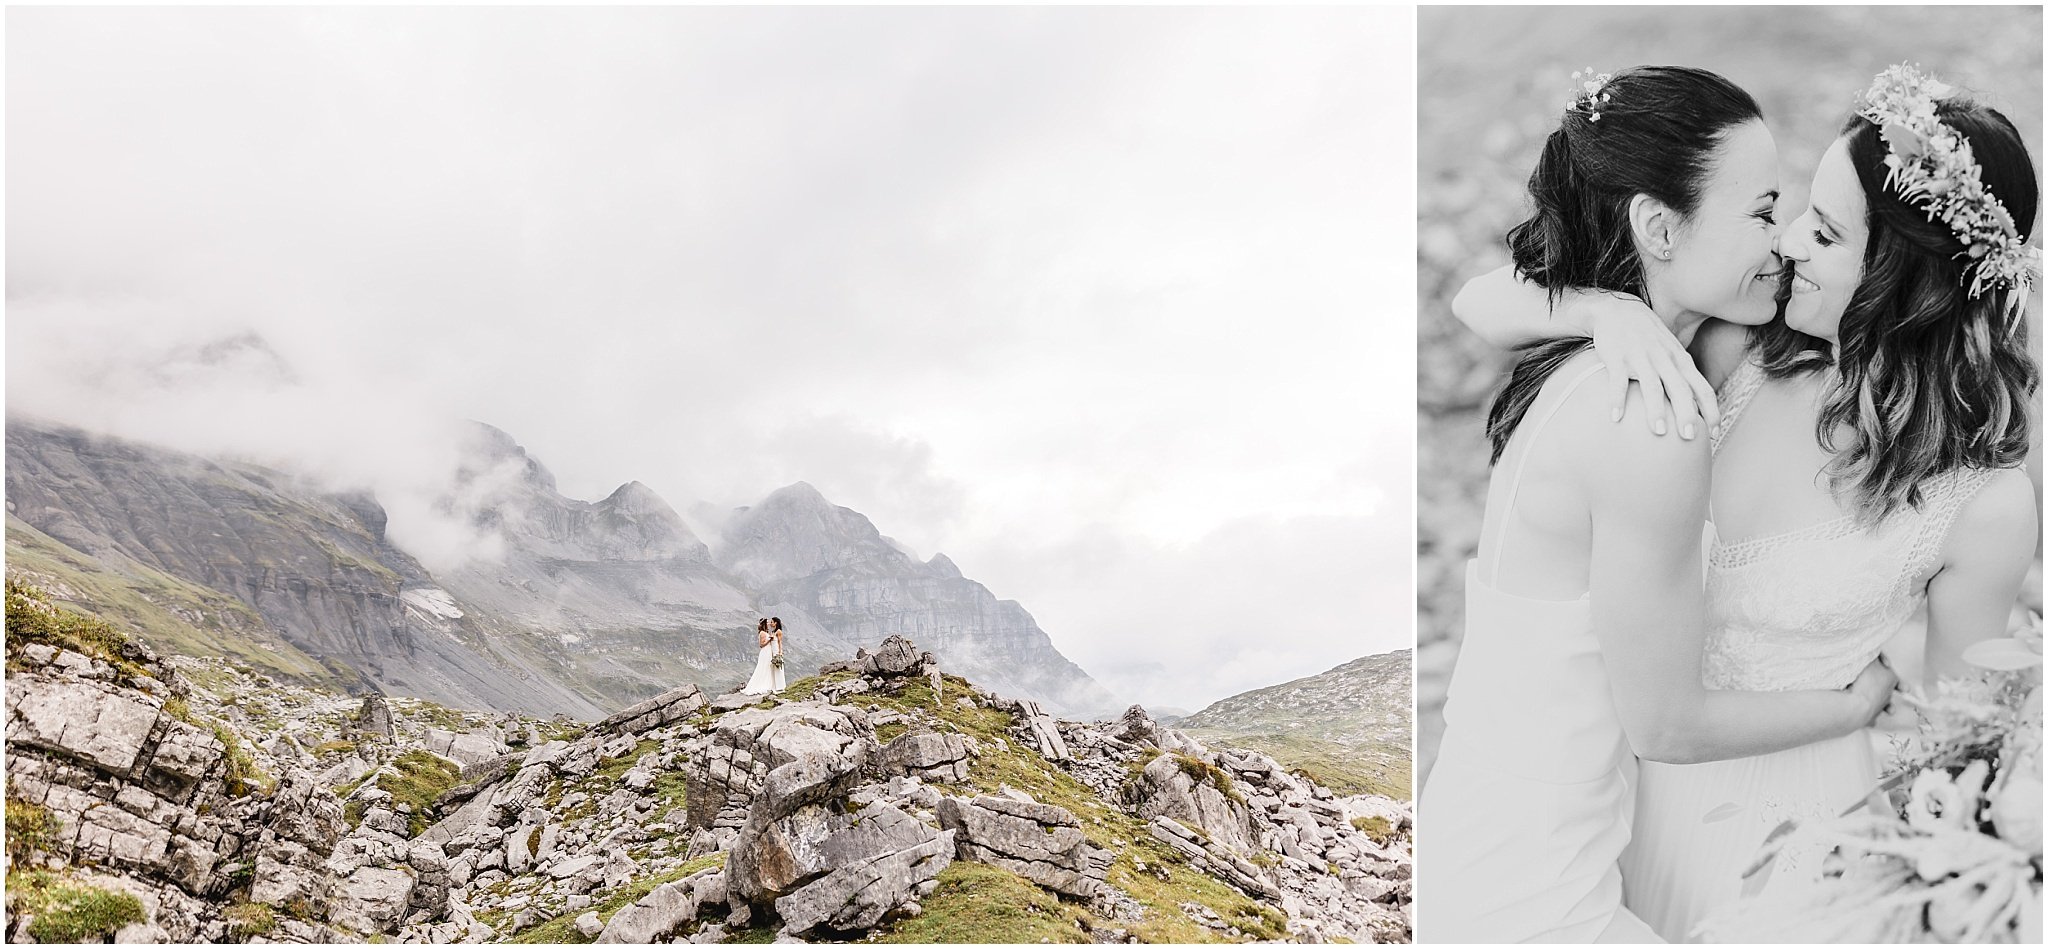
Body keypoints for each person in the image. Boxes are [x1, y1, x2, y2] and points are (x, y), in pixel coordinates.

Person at [1451, 64, 2038, 941]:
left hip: (1794, 842)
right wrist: (1605, 311)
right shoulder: (1737, 351)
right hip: (1626, 804)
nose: (1792, 242)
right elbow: (1486, 297)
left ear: (1905, 283)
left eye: (1828, 232)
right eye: (1793, 209)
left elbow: (1956, 748)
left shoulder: (1983, 503)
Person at [741, 617, 781, 695]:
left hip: (768, 652)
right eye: (767, 623)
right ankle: (762, 684)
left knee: (768, 667)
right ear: (764, 624)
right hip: (765, 652)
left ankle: (769, 684)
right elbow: (761, 645)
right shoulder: (762, 633)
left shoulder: (765, 632)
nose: (768, 624)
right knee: (764, 667)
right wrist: (769, 640)